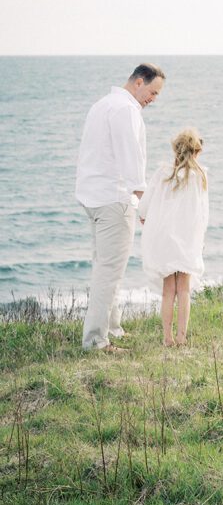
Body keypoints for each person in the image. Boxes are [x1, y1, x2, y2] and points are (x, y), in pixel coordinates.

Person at [76, 63, 166, 352]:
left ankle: (112, 326)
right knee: (110, 271)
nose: (153, 98)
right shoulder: (126, 110)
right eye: (152, 91)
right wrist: (146, 205)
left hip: (93, 197)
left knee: (106, 265)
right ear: (138, 82)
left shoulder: (102, 104)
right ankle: (95, 341)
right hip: (114, 199)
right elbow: (132, 164)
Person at [139, 129, 209, 347]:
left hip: (165, 239)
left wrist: (144, 217)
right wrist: (200, 238)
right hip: (187, 238)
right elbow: (203, 213)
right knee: (184, 289)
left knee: (168, 289)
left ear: (175, 150)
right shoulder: (200, 177)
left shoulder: (163, 173)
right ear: (197, 151)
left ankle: (167, 338)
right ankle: (181, 337)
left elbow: (146, 203)